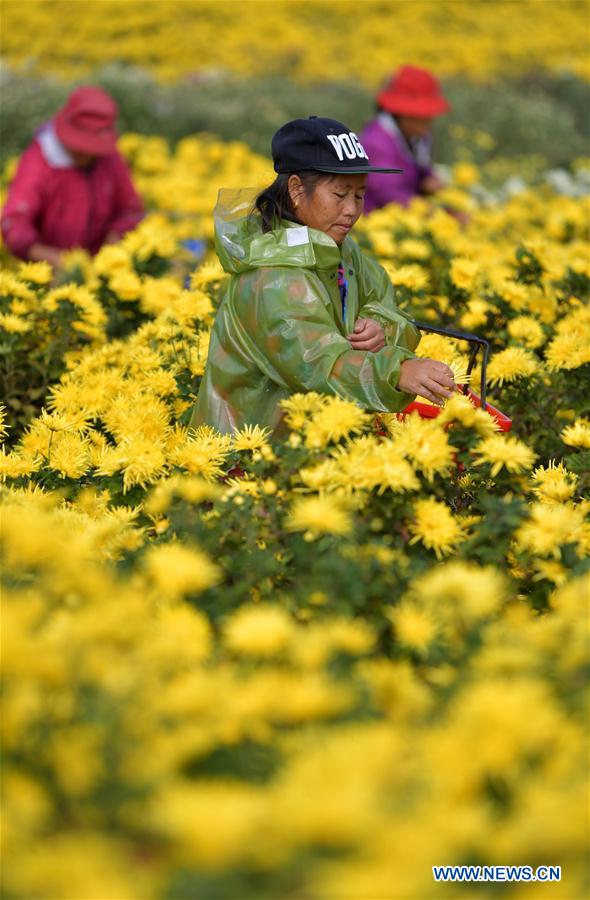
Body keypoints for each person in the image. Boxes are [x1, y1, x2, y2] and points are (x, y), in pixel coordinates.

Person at [191, 116, 456, 437]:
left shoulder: (341, 250)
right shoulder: (271, 274)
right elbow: (312, 364)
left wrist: (380, 327)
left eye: (359, 196)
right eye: (340, 194)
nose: (351, 210)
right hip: (250, 452)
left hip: (317, 440)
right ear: (297, 190)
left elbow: (385, 302)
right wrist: (397, 371)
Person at [1, 86, 144, 266]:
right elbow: (15, 222)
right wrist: (53, 259)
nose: (87, 155)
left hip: (100, 266)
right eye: (80, 148)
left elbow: (130, 209)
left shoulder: (109, 157)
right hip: (46, 269)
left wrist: (114, 244)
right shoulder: (40, 160)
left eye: (93, 149)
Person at [360, 65, 450, 213]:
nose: (430, 122)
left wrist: (429, 180)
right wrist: (440, 212)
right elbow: (388, 195)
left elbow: (422, 168)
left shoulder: (416, 137)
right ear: (404, 115)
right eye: (424, 117)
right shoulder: (376, 143)